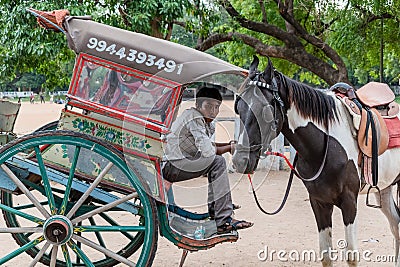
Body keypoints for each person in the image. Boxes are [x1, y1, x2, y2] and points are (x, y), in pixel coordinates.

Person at [162, 85, 253, 234]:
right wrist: (229, 148)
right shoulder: (195, 117)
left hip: (178, 162)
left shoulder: (200, 119)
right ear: (198, 105)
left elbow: (206, 147)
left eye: (217, 107)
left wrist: (230, 146)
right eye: (208, 106)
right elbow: (208, 152)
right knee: (217, 161)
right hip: (171, 166)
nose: (213, 111)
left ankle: (218, 208)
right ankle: (224, 218)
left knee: (216, 160)